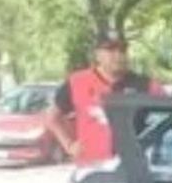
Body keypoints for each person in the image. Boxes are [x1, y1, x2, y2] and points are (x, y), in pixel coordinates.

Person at [45, 32, 162, 165]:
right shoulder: (78, 82)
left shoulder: (145, 85)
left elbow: (169, 119)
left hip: (134, 168)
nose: (118, 55)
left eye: (122, 50)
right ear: (98, 55)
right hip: (92, 167)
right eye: (111, 50)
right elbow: (52, 117)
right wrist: (69, 145)